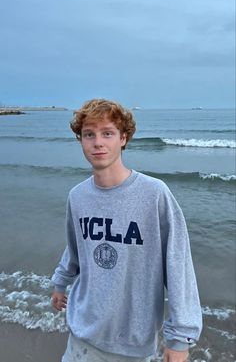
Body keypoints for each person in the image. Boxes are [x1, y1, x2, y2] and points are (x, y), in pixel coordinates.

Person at [51, 99, 202, 362]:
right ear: (81, 141)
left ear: (123, 138)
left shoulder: (154, 194)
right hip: (81, 335)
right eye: (89, 134)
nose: (98, 142)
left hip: (132, 343)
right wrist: (60, 282)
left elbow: (178, 265)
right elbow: (77, 247)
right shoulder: (77, 196)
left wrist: (180, 339)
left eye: (107, 133)